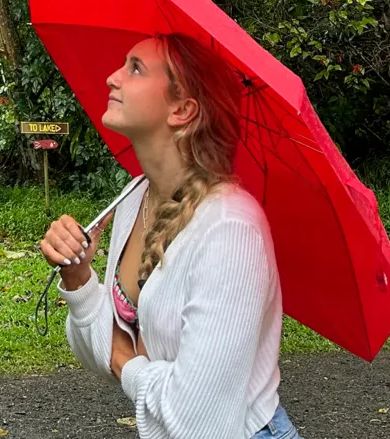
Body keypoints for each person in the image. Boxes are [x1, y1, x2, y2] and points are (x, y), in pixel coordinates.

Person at [39, 33, 303, 439]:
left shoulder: (230, 230)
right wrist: (79, 281)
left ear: (181, 110)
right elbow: (98, 354)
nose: (112, 78)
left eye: (135, 68)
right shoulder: (134, 198)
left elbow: (196, 421)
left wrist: (127, 363)